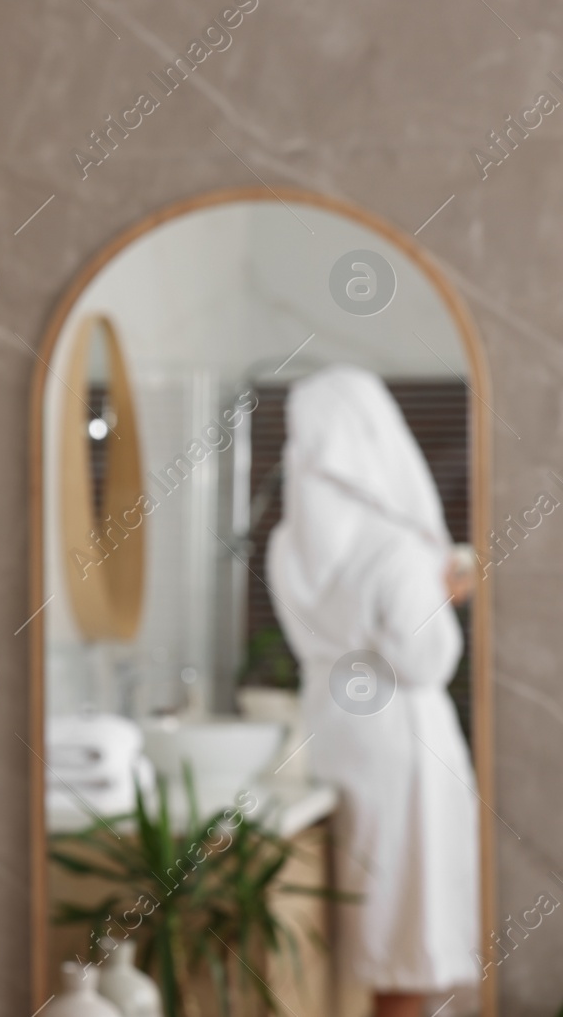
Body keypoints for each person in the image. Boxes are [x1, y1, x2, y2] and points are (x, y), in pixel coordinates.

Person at [266, 364, 479, 1017]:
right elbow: (427, 659)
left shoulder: (286, 545)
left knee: (368, 902)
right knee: (410, 921)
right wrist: (449, 594)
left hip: (336, 728)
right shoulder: (394, 547)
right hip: (402, 740)